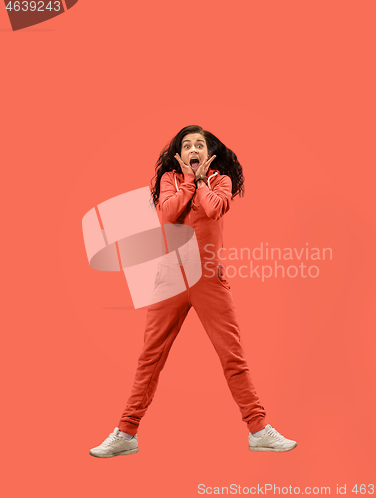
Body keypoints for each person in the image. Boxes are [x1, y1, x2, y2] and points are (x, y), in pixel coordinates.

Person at [89, 125, 297, 457]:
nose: (193, 149)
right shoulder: (169, 180)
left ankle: (259, 430)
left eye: (199, 144)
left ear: (209, 151)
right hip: (169, 280)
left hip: (208, 281)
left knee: (232, 357)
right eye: (187, 145)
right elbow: (168, 214)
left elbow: (214, 209)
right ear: (179, 153)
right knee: (150, 359)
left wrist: (200, 181)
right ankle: (126, 433)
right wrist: (187, 180)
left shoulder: (221, 181)